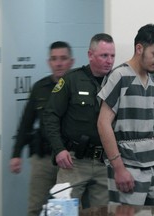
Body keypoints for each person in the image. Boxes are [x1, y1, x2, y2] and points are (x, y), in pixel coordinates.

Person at [97, 23, 154, 206]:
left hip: (153, 166)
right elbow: (103, 123)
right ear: (139, 48)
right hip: (128, 167)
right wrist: (119, 168)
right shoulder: (119, 76)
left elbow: (153, 130)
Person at [43, 33, 115, 208]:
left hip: (103, 162)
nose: (109, 61)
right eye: (104, 55)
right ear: (90, 55)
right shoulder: (71, 80)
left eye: (112, 56)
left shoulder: (116, 81)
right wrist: (59, 149)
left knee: (102, 212)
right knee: (62, 210)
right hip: (73, 162)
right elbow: (50, 115)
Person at [9, 41, 74, 216]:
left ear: (71, 61)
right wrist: (16, 154)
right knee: (36, 208)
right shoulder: (40, 88)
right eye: (54, 59)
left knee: (63, 211)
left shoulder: (78, 86)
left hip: (69, 161)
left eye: (63, 58)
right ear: (49, 62)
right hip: (43, 159)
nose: (58, 63)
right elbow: (26, 123)